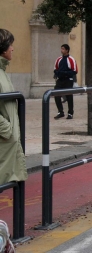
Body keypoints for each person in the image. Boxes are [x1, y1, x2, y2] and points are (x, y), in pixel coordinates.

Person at [0, 29, 28, 185]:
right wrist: (6, 130)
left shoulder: (2, 71)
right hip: (4, 141)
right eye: (10, 45)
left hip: (7, 144)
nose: (13, 48)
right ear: (3, 47)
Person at [53, 44, 78, 120]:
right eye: (61, 49)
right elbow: (55, 69)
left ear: (67, 50)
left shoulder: (71, 59)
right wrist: (58, 74)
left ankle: (70, 113)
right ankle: (60, 112)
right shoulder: (59, 59)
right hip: (60, 80)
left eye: (63, 49)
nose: (61, 50)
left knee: (69, 96)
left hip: (68, 80)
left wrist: (65, 73)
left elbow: (74, 70)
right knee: (56, 94)